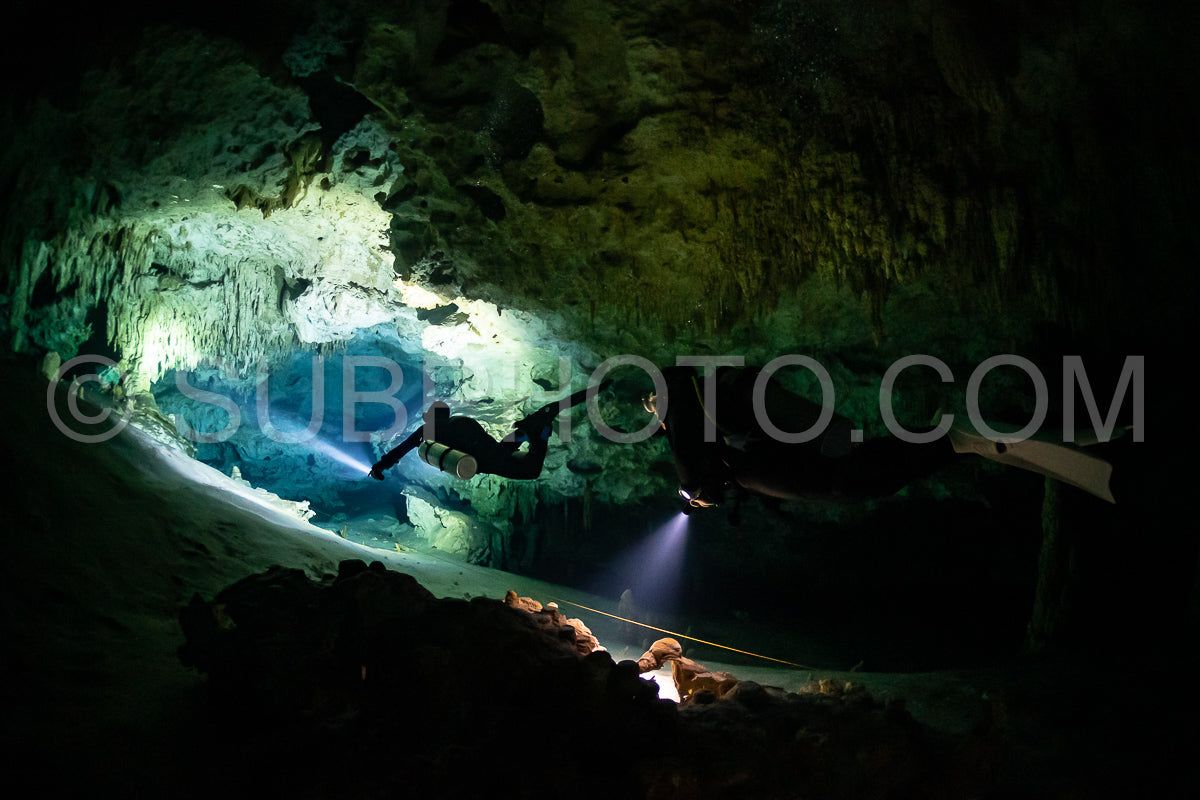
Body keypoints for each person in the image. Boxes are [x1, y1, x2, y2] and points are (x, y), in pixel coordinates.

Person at [645, 364, 1116, 511]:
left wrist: (669, 418)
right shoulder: (720, 454)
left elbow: (700, 469)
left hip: (777, 445)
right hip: (779, 444)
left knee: (853, 477)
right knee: (855, 473)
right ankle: (953, 438)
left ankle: (952, 434)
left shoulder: (714, 459)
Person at [369, 381, 610, 481]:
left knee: (532, 472)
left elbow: (401, 449)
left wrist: (380, 466)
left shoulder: (427, 430)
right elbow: (484, 440)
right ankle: (526, 431)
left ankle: (541, 432)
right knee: (503, 451)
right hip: (493, 450)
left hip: (487, 462)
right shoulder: (460, 420)